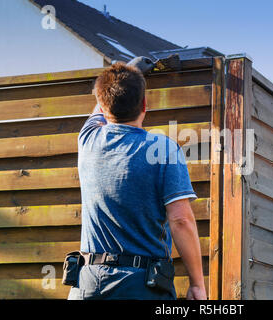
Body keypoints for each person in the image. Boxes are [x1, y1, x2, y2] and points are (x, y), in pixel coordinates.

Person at [68, 62, 206, 300]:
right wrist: (197, 284)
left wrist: (129, 67)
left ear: (102, 104)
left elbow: (100, 107)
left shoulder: (88, 139)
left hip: (86, 284)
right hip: (141, 286)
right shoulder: (163, 149)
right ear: (144, 105)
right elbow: (181, 220)